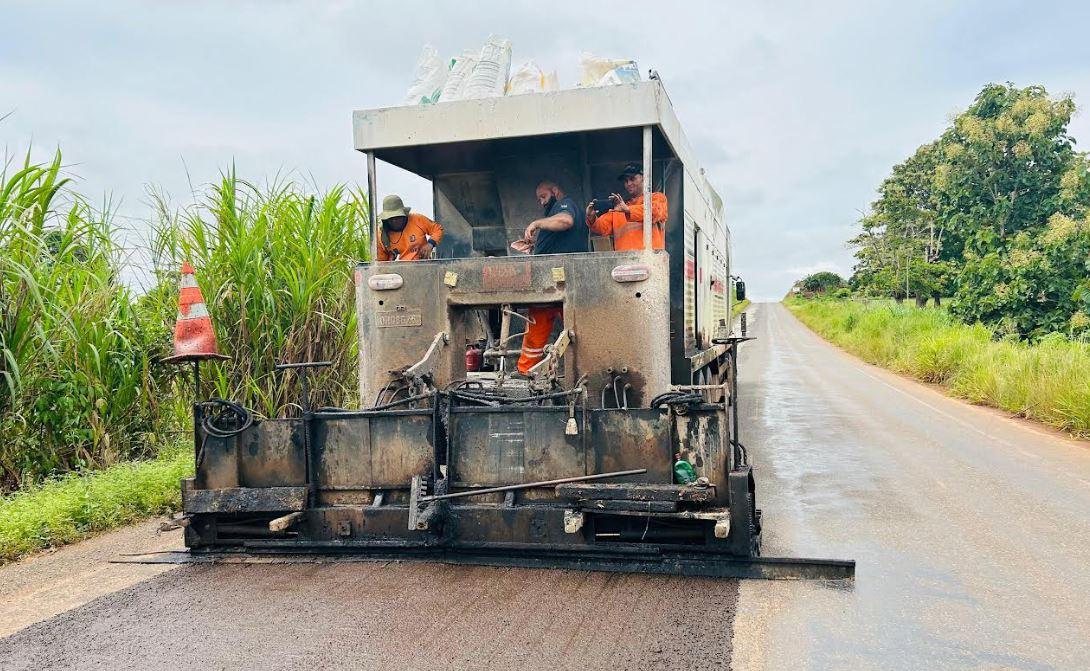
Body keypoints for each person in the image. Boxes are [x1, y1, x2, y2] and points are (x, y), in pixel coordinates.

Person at [515, 180, 588, 375]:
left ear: (555, 191)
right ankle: (526, 373)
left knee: (577, 333)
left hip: (564, 284)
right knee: (537, 332)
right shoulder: (554, 212)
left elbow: (566, 221)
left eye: (543, 196)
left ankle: (585, 371)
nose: (541, 202)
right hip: (549, 286)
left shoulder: (565, 205)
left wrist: (536, 223)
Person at [585, 162, 668, 251]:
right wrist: (591, 217)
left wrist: (628, 210)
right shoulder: (620, 208)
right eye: (626, 181)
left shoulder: (657, 197)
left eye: (632, 179)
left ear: (644, 178)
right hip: (624, 262)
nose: (628, 184)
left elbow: (654, 212)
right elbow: (602, 228)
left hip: (649, 261)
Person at [375, 194, 444, 261]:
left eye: (398, 217)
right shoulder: (381, 234)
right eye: (391, 218)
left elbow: (437, 229)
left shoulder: (417, 219)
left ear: (404, 214)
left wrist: (430, 244)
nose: (395, 221)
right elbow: (381, 260)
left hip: (422, 265)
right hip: (397, 269)